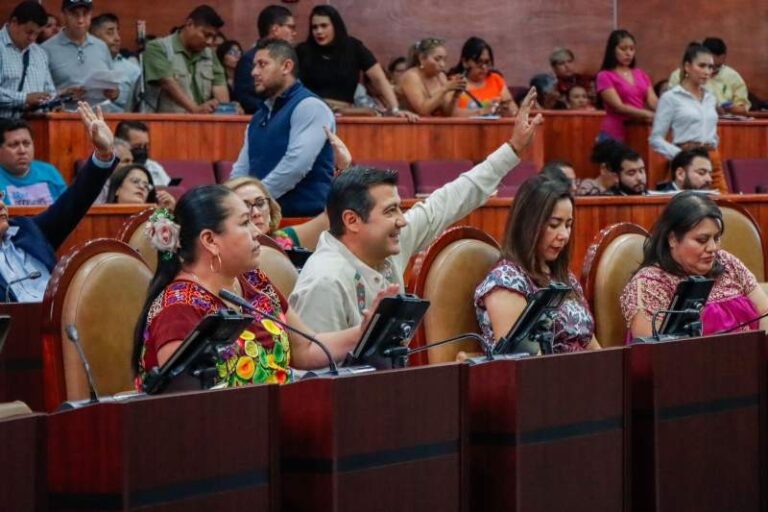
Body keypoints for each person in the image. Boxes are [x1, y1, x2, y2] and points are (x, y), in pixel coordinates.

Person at [290, 88, 542, 331]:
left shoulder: (384, 242)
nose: (402, 221)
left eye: (399, 209)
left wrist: (513, 149)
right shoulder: (324, 282)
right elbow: (316, 361)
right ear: (352, 221)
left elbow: (450, 199)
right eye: (390, 211)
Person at [132, 185, 397, 388]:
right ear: (210, 240)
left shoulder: (253, 280)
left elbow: (305, 349)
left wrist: (365, 330)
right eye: (243, 223)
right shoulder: (178, 306)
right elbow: (184, 400)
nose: (257, 231)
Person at [0, 101, 117, 302]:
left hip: (58, 315)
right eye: (13, 144)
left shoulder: (28, 231)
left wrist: (103, 154)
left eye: (1, 198)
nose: (2, 205)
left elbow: (76, 200)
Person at [475, 175, 600, 353]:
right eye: (554, 225)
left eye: (568, 225)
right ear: (528, 225)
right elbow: (524, 360)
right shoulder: (505, 281)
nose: (564, 235)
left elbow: (591, 344)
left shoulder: (564, 277)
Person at [621, 192, 768, 338]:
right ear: (672, 239)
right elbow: (653, 349)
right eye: (702, 240)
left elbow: (765, 312)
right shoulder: (650, 283)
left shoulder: (727, 262)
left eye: (716, 238)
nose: (713, 248)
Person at [230, 38, 335, 217]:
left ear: (286, 67)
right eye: (254, 65)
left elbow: (295, 166)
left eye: (262, 64)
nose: (254, 72)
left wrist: (253, 202)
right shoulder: (258, 116)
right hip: (262, 217)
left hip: (303, 220)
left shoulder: (309, 106)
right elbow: (242, 169)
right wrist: (229, 201)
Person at [226, 126, 351, 250]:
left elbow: (331, 216)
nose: (256, 213)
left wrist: (342, 169)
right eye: (246, 206)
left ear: (270, 209)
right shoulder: (221, 251)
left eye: (260, 203)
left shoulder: (284, 239)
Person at [296, 5, 416, 120]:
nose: (319, 31)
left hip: (344, 114)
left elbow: (379, 79)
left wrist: (395, 109)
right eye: (314, 27)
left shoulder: (353, 47)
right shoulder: (302, 51)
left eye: (324, 26)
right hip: (310, 113)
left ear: (336, 26)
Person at [650, 42, 728, 194]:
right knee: (687, 203)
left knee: (724, 202)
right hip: (686, 159)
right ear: (687, 66)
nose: (707, 71)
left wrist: (712, 145)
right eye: (702, 66)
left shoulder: (711, 97)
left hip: (712, 158)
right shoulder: (671, 97)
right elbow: (655, 139)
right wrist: (680, 154)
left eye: (710, 67)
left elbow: (712, 131)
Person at [142, 5, 230, 113]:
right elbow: (167, 83)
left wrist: (226, 109)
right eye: (206, 35)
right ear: (189, 24)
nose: (210, 42)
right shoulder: (157, 48)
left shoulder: (210, 54)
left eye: (213, 37)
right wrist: (195, 110)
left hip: (203, 121)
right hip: (167, 121)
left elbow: (220, 87)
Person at [42, 0, 117, 108]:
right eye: (74, 14)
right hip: (65, 115)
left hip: (101, 114)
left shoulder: (101, 46)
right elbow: (38, 95)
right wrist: (62, 95)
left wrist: (114, 93)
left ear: (91, 15)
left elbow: (114, 87)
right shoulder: (46, 49)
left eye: (85, 14)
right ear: (63, 15)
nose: (81, 20)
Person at [233, 4, 296, 115]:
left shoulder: (291, 58)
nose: (294, 33)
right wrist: (276, 110)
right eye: (290, 27)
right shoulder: (248, 60)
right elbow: (246, 98)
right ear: (275, 30)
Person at [596, 29, 657, 142]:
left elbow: (653, 101)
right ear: (612, 50)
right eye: (623, 49)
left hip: (638, 131)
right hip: (614, 134)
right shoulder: (604, 75)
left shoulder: (641, 74)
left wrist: (667, 111)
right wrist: (647, 114)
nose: (628, 53)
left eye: (632, 49)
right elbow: (618, 107)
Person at [0, 1, 58, 118]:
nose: (32, 38)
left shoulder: (39, 53)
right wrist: (24, 98)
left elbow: (49, 91)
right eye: (29, 32)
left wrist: (54, 101)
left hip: (34, 124)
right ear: (14, 22)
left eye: (37, 34)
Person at [667, 37, 750, 115]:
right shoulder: (679, 76)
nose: (711, 71)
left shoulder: (733, 77)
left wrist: (728, 109)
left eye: (719, 66)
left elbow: (743, 109)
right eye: (710, 66)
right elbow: (671, 106)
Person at [0, 118, 66, 205]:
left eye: (26, 144)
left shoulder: (49, 172)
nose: (22, 151)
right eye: (14, 145)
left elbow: (69, 208)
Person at [449, 37, 518, 117]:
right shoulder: (455, 82)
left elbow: (514, 110)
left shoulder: (496, 79)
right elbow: (451, 114)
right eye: (479, 62)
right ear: (465, 62)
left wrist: (506, 109)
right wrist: (483, 111)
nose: (484, 67)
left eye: (487, 62)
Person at [397, 38, 466, 116]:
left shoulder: (441, 76)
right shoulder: (411, 76)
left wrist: (455, 95)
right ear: (422, 58)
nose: (442, 64)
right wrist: (445, 89)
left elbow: (448, 113)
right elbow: (422, 110)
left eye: (444, 60)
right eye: (437, 59)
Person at [89, 13, 141, 113]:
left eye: (118, 32)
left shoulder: (133, 70)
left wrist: (118, 95)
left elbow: (140, 107)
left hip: (120, 121)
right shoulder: (79, 65)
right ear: (93, 38)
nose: (117, 38)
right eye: (110, 33)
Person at [115, 120, 171, 186]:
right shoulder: (114, 169)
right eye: (137, 146)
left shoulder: (154, 167)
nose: (142, 150)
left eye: (145, 146)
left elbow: (169, 188)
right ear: (120, 144)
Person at [105, 163, 176, 210]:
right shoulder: (102, 217)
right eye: (135, 181)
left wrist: (167, 210)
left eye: (146, 186)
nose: (142, 187)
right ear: (117, 189)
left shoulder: (153, 218)